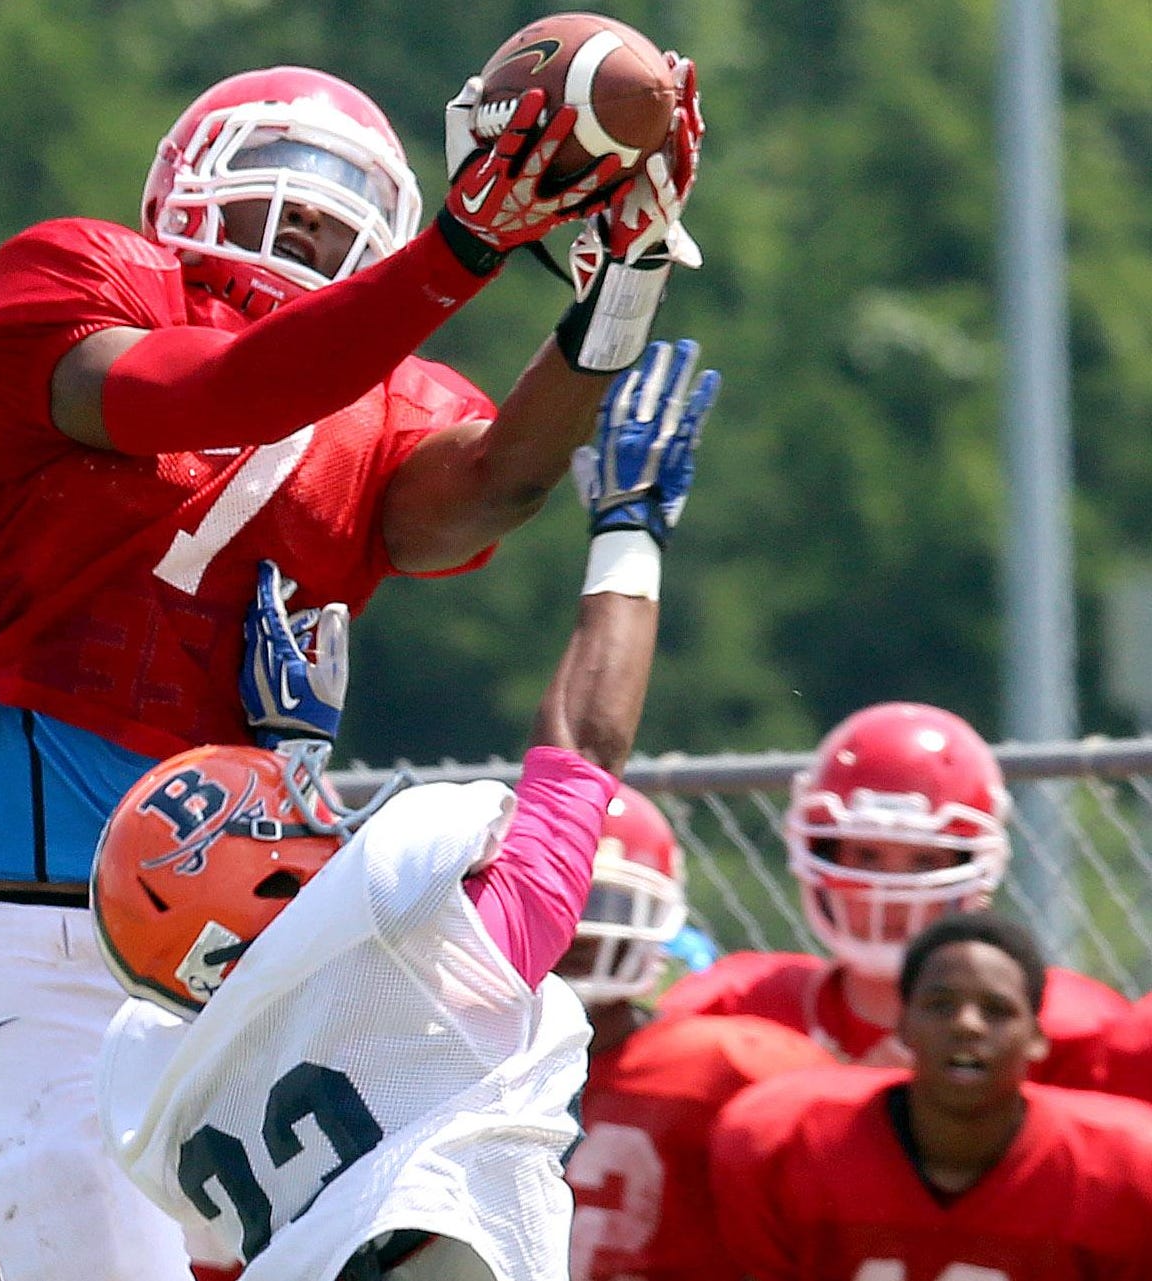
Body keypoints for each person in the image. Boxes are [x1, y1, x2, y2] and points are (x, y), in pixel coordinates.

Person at [0, 53, 707, 1281]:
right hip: (51, 944)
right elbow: (223, 387)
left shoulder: (394, 400)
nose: (288, 244)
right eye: (263, 213)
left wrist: (622, 285)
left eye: (326, 229)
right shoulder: (81, 276)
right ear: (181, 200)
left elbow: (497, 483)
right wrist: (460, 245)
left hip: (276, 964)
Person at [90, 339, 717, 1281]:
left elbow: (277, 971)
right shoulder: (418, 966)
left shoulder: (162, 1081)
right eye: (302, 823)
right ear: (265, 877)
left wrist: (278, 753)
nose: (330, 827)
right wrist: (629, 531)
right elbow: (580, 752)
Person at [658, 701, 1126, 1083]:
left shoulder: (1074, 1028)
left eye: (923, 860)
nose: (890, 891)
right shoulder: (740, 1006)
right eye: (866, 856)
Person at [708, 911, 1152, 1278]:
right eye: (940, 1005)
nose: (967, 1025)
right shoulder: (789, 1143)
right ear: (902, 1024)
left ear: (1037, 1037)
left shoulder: (1123, 1171)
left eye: (996, 1010)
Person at [553, 784, 833, 1281]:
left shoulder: (727, 1067)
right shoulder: (445, 1059)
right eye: (553, 900)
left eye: (605, 903)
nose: (578, 928)